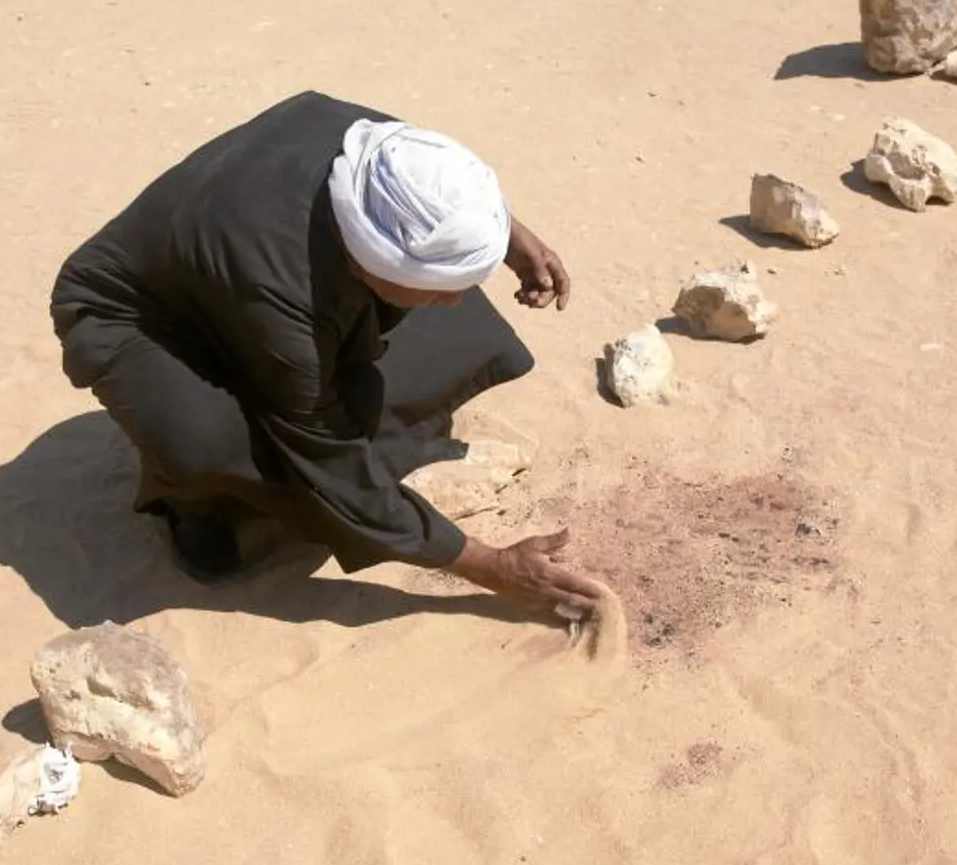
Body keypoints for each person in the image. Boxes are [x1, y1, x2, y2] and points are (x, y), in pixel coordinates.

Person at [48, 90, 604, 620]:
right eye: (439, 282)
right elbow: (326, 450)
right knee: (210, 439)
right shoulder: (287, 302)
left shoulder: (376, 148)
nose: (453, 295)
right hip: (136, 318)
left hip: (234, 278)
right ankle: (194, 507)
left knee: (452, 337)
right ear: (371, 262)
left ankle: (359, 447)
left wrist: (507, 236)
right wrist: (494, 567)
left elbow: (441, 190)